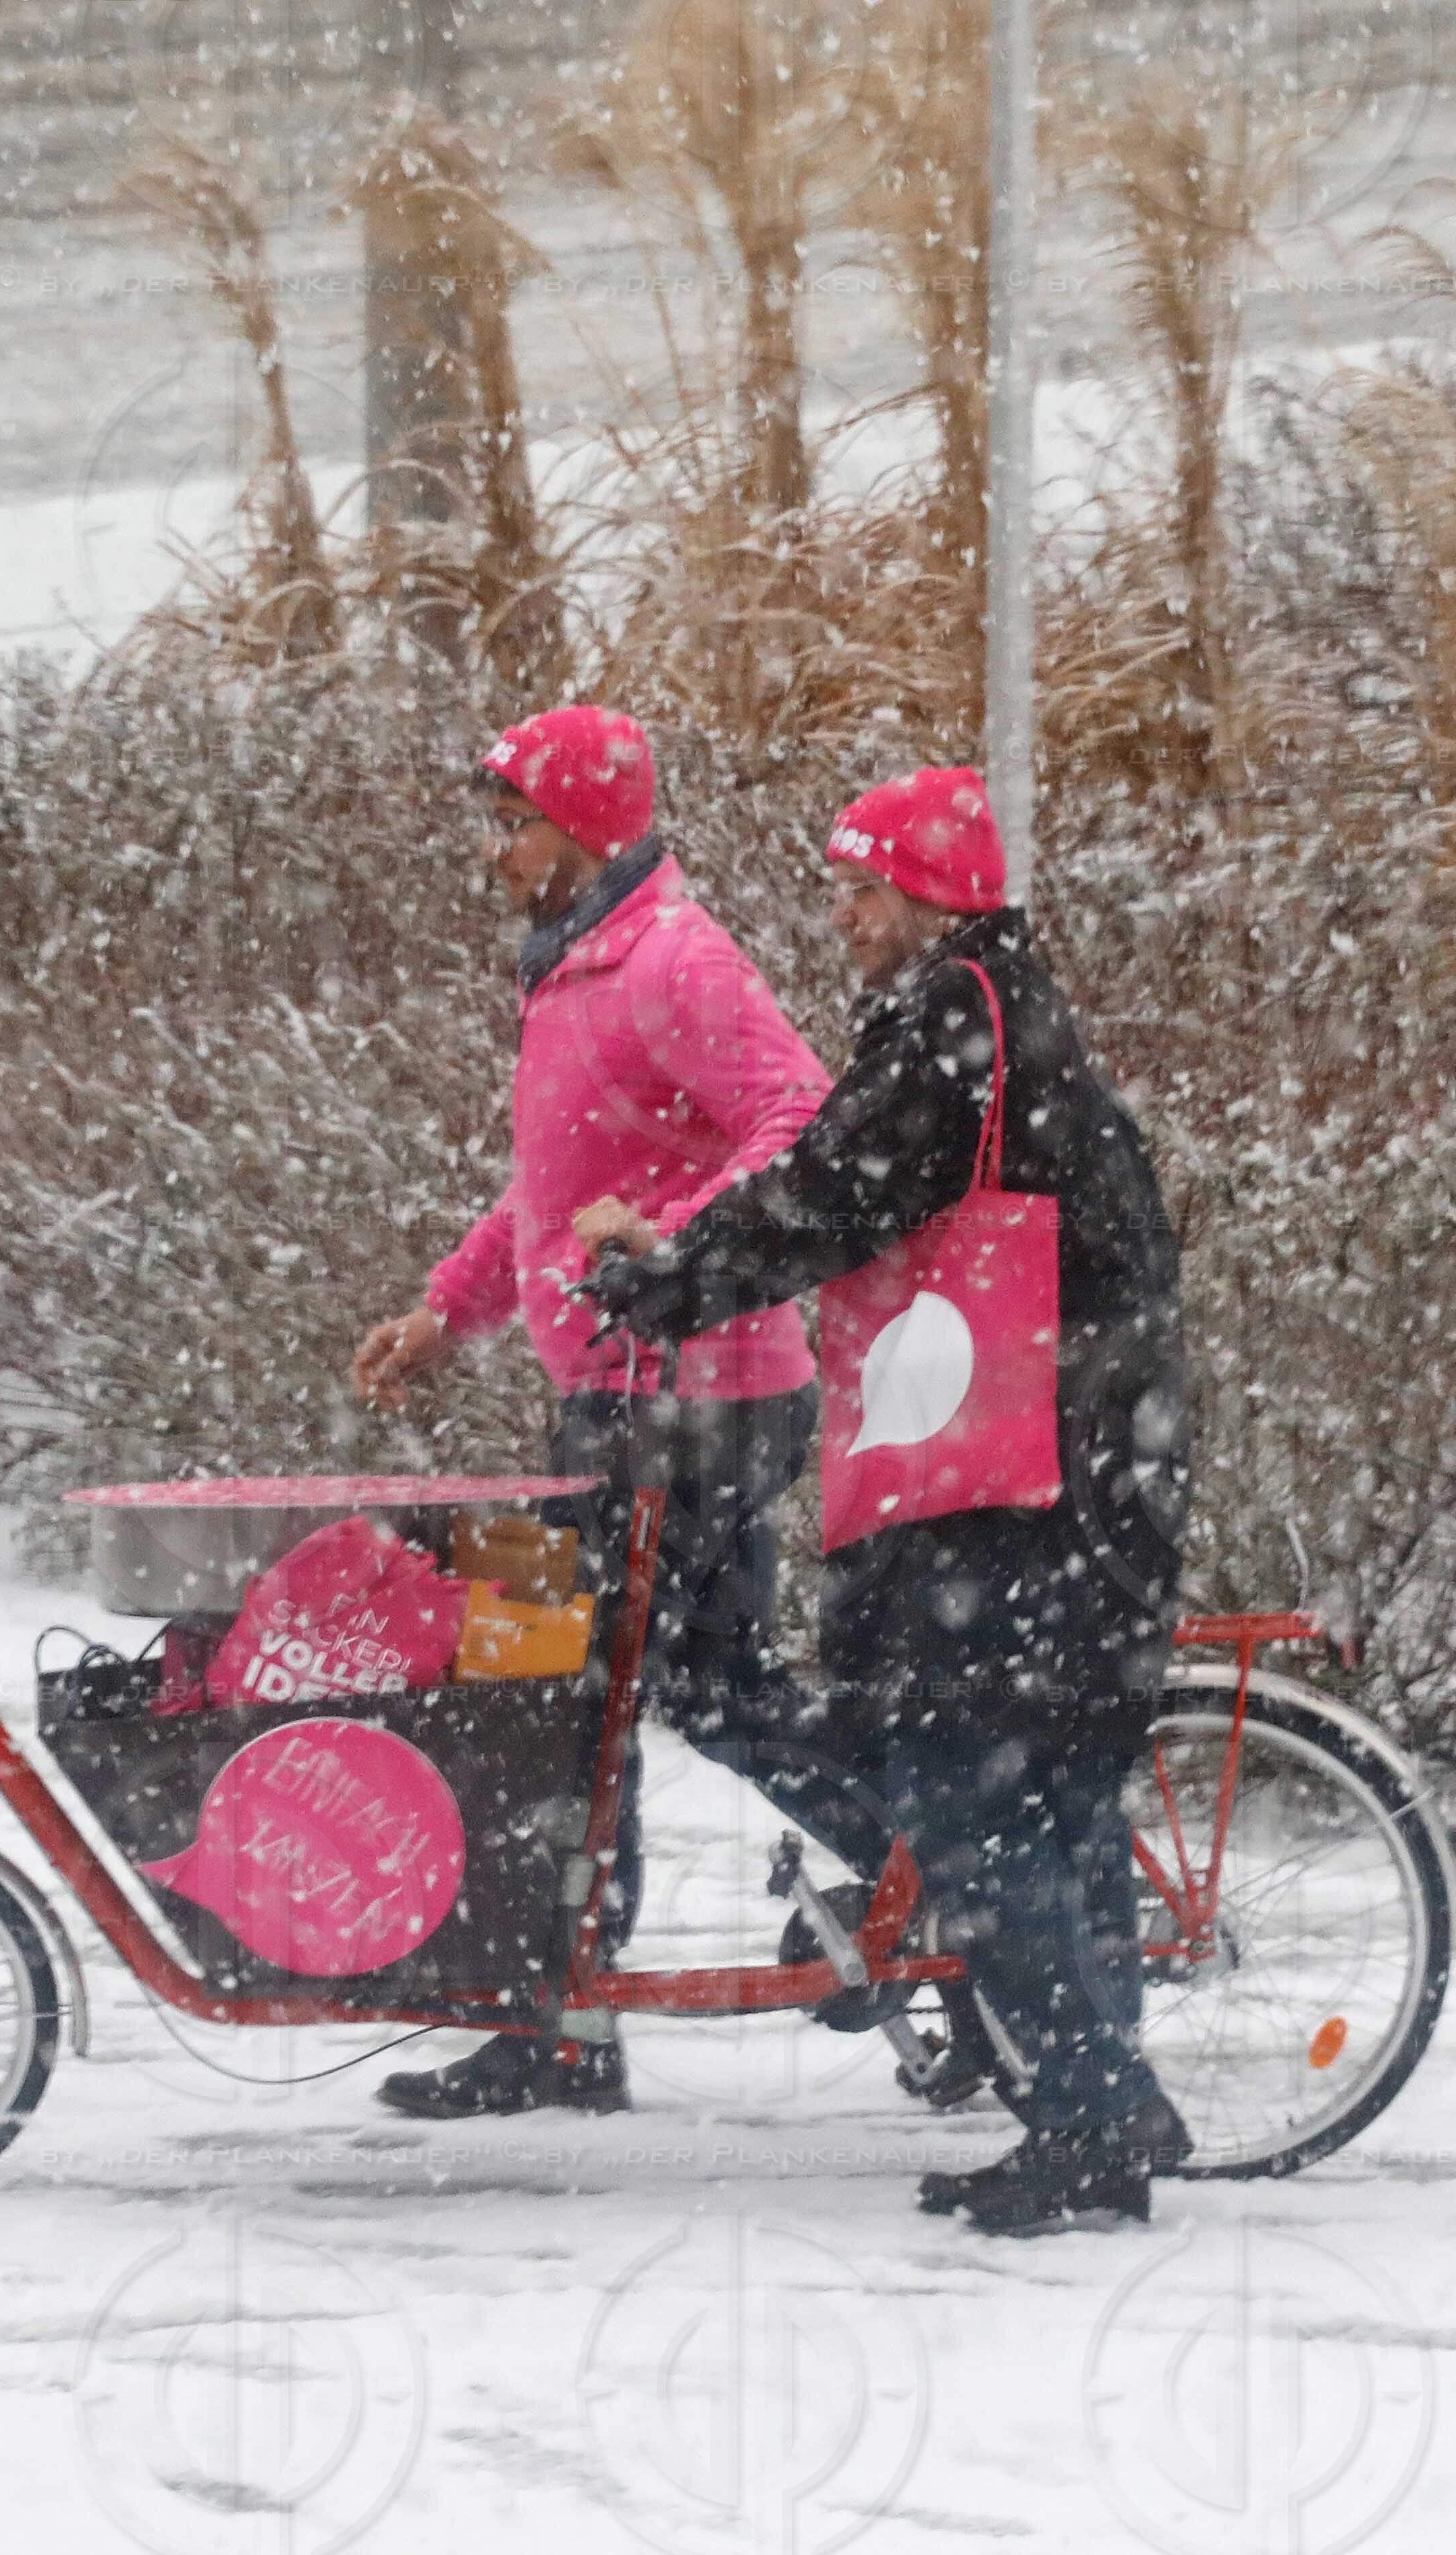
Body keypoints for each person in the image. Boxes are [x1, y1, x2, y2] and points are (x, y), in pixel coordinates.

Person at [577, 766, 1198, 2235]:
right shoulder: (1004, 1016)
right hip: (1088, 1465)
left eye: (865, 889)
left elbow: (828, 1194)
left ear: (930, 897)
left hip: (1018, 1481)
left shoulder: (953, 1026)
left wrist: (670, 1280)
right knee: (1055, 1792)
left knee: (975, 1796)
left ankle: (1090, 2119)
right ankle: (1110, 2096)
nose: (845, 915)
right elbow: (847, 1188)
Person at [352, 702, 875, 2120]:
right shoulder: (579, 967)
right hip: (636, 1392)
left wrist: (671, 1238)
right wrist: (447, 1309)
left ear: (582, 828)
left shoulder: (669, 960)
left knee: (555, 1695)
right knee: (687, 1689)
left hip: (688, 1397)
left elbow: (801, 1115)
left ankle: (559, 2024)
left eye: (513, 823)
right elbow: (553, 1182)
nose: (495, 850)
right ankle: (931, 1880)